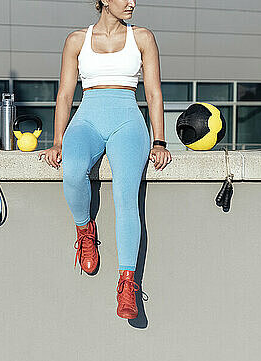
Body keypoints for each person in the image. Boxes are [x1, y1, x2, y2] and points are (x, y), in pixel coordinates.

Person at [38, 0, 171, 319]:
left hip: (128, 120)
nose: (132, 3)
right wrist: (57, 142)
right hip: (87, 119)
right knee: (72, 171)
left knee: (127, 196)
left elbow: (153, 92)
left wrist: (160, 140)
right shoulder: (75, 41)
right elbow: (66, 95)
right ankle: (85, 230)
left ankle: (127, 284)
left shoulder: (142, 38)